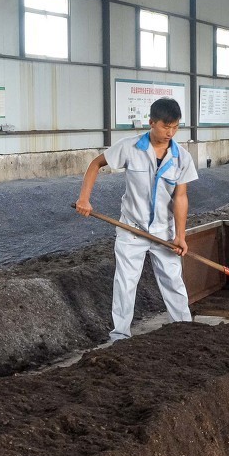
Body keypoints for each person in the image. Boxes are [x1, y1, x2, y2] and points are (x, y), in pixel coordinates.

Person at [75, 97, 198, 341]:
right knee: (125, 283)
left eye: (175, 127)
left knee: (173, 281)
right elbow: (96, 164)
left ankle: (184, 330)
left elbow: (181, 197)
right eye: (165, 126)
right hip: (131, 229)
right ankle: (120, 336)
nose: (170, 133)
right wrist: (84, 199)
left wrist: (180, 236)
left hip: (164, 231)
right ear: (151, 122)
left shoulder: (182, 157)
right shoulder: (130, 147)